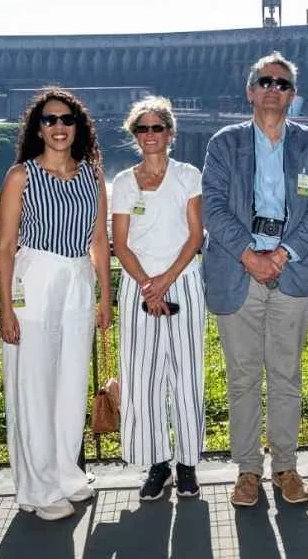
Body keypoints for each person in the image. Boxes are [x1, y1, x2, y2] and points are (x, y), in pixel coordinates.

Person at [202, 52, 308, 507]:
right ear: (250, 90)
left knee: (286, 375)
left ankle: (286, 467)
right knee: (242, 377)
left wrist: (282, 252)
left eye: (283, 83)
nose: (274, 89)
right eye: (266, 81)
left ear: (292, 95)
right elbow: (213, 206)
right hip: (239, 270)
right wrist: (248, 254)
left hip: (290, 267)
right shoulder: (225, 142)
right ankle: (247, 470)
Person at [0, 88, 112, 520]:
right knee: (34, 386)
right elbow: (5, 247)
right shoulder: (20, 177)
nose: (59, 126)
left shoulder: (93, 175)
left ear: (78, 126)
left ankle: (67, 474)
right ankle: (39, 489)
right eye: (50, 120)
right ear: (37, 128)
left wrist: (105, 296)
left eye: (67, 119)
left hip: (79, 279)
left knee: (70, 383)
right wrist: (6, 308)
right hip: (36, 279)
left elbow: (100, 240)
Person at [110, 96, 207, 501]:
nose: (150, 135)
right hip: (138, 287)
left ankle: (187, 464)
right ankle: (157, 464)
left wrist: (165, 280)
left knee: (186, 376)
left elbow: (195, 234)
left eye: (157, 128)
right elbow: (120, 242)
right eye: (142, 129)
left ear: (170, 133)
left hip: (182, 281)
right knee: (142, 380)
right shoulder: (123, 182)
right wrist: (149, 284)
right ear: (135, 135)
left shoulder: (188, 175)